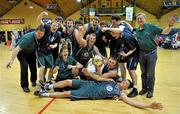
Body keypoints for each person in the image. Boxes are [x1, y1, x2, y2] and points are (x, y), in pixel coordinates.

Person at [34, 68, 163, 110]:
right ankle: (48, 86)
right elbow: (99, 78)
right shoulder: (112, 81)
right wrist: (89, 74)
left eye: (126, 84)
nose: (123, 83)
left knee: (68, 93)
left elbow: (133, 103)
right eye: (124, 80)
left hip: (89, 93)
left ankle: (44, 94)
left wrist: (149, 105)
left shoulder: (119, 93)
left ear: (126, 88)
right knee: (68, 81)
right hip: (88, 84)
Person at [135, 13, 177, 98]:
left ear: (145, 19)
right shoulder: (137, 30)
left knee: (150, 74)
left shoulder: (151, 27)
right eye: (137, 19)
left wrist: (170, 25)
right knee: (143, 73)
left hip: (151, 53)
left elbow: (164, 32)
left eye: (141, 18)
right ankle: (144, 89)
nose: (139, 20)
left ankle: (150, 90)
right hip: (142, 53)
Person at [6, 25, 45, 92]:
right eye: (39, 33)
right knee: (24, 66)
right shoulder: (28, 38)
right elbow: (17, 49)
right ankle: (24, 86)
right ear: (35, 32)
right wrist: (11, 60)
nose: (40, 35)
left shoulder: (41, 37)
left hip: (31, 52)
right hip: (22, 53)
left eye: (42, 34)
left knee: (33, 67)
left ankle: (33, 81)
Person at [102, 26, 139, 98]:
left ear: (117, 32)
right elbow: (122, 28)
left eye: (113, 34)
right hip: (127, 52)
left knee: (131, 70)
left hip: (134, 54)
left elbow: (134, 48)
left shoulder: (126, 37)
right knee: (121, 63)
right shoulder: (122, 32)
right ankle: (124, 80)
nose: (113, 36)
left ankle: (135, 88)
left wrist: (126, 54)